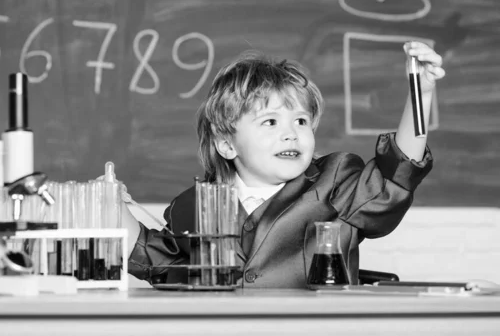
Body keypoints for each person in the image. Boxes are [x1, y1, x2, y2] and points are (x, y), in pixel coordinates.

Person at [118, 41, 445, 288]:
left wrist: (421, 93)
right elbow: (157, 262)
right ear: (227, 144)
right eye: (270, 122)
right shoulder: (192, 205)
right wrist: (114, 207)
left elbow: (395, 176)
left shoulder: (336, 183)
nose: (291, 133)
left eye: (301, 121)